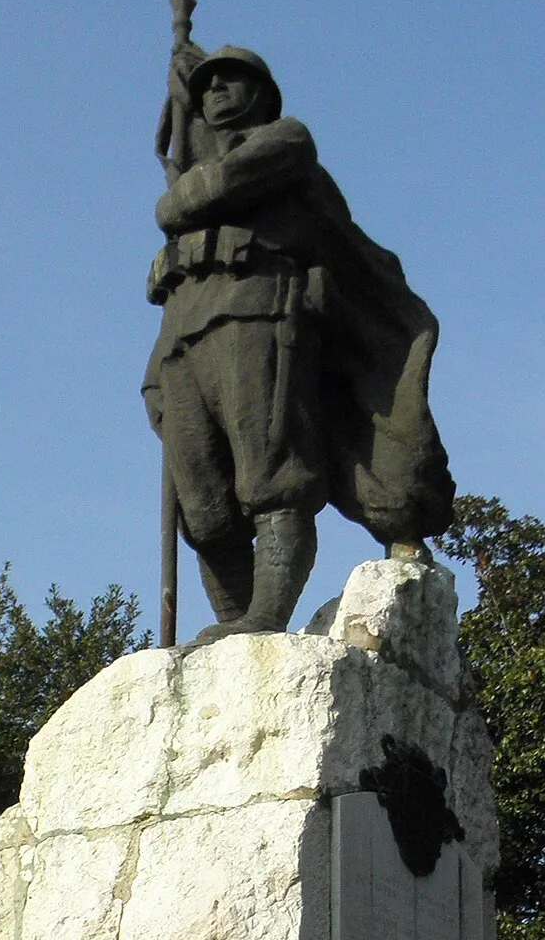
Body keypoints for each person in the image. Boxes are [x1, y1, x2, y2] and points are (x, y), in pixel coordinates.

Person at [144, 41, 453, 638]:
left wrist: (176, 198)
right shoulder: (201, 162)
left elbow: (202, 193)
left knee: (271, 477)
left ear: (261, 93)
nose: (215, 92)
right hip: (183, 330)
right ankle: (234, 624)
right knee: (203, 506)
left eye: (232, 81)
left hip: (258, 311)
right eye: (206, 85)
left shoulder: (286, 142)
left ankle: (265, 619)